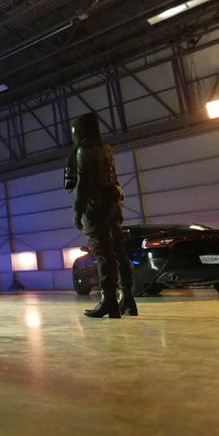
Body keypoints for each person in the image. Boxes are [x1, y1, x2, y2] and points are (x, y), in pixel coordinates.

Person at [67, 113, 138, 318]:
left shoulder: (84, 151)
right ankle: (128, 300)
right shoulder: (106, 149)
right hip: (112, 206)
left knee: (103, 255)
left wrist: (77, 212)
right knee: (119, 254)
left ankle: (109, 302)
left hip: (95, 208)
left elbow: (83, 185)